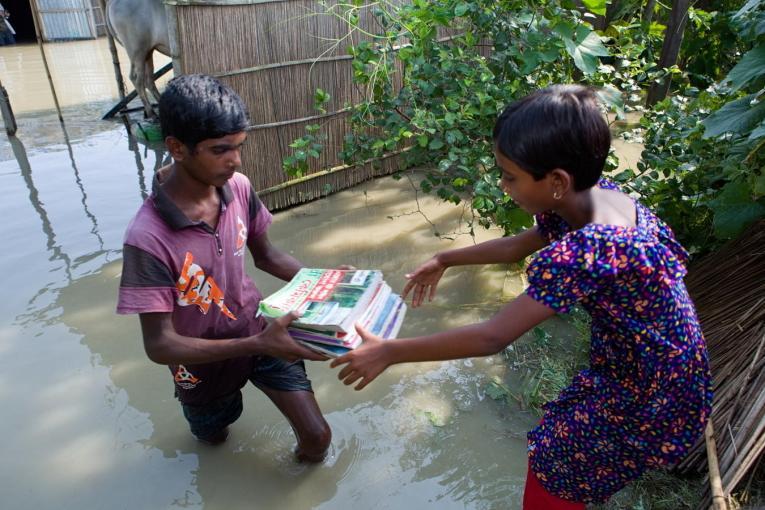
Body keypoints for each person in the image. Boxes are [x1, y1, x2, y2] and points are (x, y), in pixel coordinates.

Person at [331, 85, 713, 507]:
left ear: (556, 181)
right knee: (559, 453)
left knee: (555, 464)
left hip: (652, 391)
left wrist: (390, 352)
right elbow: (518, 245)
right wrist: (446, 258)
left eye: (509, 176)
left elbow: (492, 337)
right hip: (658, 364)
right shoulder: (599, 196)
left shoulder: (591, 248)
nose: (502, 184)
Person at [116, 74, 332, 461]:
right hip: (198, 362)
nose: (236, 160)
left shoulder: (240, 188)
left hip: (258, 326)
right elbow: (160, 344)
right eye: (220, 150)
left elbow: (266, 256)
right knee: (213, 441)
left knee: (317, 438)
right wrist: (256, 344)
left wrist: (328, 282)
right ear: (177, 148)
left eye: (238, 146)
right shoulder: (146, 238)